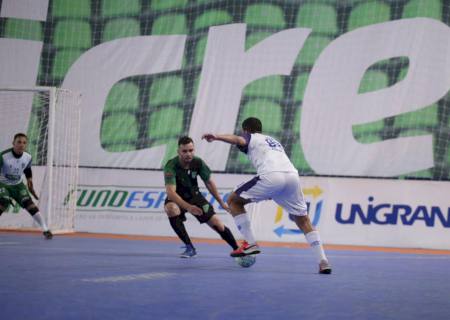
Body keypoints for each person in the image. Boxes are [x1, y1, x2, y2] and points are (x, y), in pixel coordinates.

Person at [202, 117, 332, 274]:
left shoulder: (251, 137)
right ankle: (323, 261)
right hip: (292, 177)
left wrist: (216, 136)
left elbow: (238, 140)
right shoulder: (273, 141)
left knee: (233, 200)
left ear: (246, 130)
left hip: (271, 175)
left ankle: (250, 243)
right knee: (303, 219)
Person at [163, 136, 239, 258]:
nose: (188, 154)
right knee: (171, 209)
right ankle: (189, 247)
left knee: (217, 224)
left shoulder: (198, 162)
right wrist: (188, 207)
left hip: (195, 196)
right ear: (178, 152)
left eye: (191, 150)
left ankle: (237, 249)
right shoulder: (171, 165)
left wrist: (221, 202)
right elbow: (171, 193)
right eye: (185, 151)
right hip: (178, 197)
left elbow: (209, 182)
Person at [0, 133, 53, 239]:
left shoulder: (28, 157)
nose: (21, 145)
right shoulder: (3, 156)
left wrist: (30, 181)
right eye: (19, 142)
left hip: (18, 185)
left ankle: (46, 230)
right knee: (4, 201)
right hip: (3, 183)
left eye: (24, 143)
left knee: (30, 205)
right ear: (13, 143)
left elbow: (27, 169)